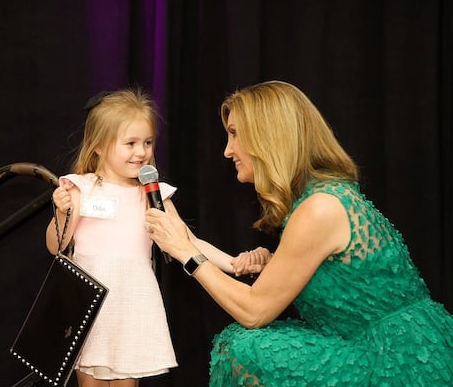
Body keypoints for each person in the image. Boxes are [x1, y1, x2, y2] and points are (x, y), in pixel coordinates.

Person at [144, 80, 453, 386]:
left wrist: (188, 256)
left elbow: (254, 312)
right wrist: (274, 262)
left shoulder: (320, 208)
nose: (227, 151)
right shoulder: (323, 196)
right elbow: (345, 274)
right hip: (377, 346)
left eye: (235, 134)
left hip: (399, 359)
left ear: (268, 136)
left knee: (244, 349)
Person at [46, 88, 254, 387]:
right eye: (130, 143)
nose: (141, 152)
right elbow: (57, 245)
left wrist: (232, 263)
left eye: (147, 142)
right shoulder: (81, 188)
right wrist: (63, 213)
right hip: (88, 300)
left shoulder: (153, 195)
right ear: (99, 146)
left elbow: (188, 241)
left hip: (130, 301)